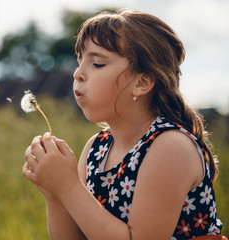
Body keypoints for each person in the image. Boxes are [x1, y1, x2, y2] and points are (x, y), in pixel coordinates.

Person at [22, 9, 226, 239]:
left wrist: (68, 187)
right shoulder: (95, 149)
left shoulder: (170, 146)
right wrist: (55, 195)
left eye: (97, 63)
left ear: (141, 82)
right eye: (79, 61)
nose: (77, 73)